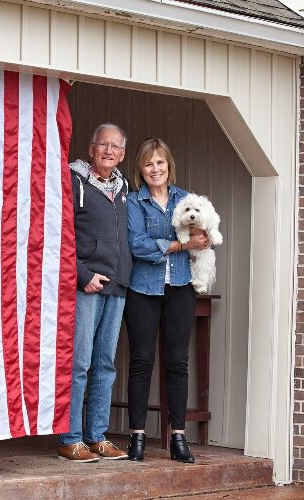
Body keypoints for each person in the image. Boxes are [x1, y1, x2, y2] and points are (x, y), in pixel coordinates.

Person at [124, 138, 211, 464]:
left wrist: (194, 244)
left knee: (177, 363)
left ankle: (178, 437)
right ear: (141, 170)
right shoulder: (134, 202)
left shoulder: (186, 199)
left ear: (168, 165)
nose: (155, 169)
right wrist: (179, 245)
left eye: (160, 163)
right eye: (149, 164)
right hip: (142, 289)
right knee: (141, 362)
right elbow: (138, 245)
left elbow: (204, 238)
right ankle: (137, 437)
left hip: (180, 287)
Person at [57, 123, 132, 462]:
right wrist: (82, 274)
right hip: (86, 285)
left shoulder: (124, 188)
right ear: (91, 149)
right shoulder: (73, 182)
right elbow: (58, 233)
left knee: (105, 364)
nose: (109, 151)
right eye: (103, 144)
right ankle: (70, 438)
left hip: (117, 286)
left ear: (123, 154)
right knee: (80, 363)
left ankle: (97, 436)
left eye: (116, 147)